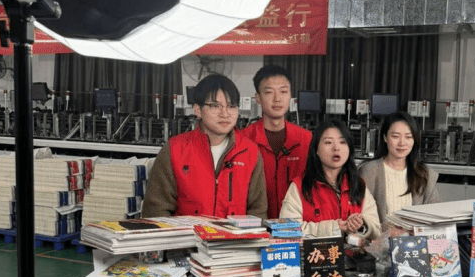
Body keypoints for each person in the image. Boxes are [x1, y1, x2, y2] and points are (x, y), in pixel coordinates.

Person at [141, 74, 267, 220]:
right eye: (215, 106)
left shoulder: (250, 152)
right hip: (187, 235)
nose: (225, 114)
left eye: (231, 106)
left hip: (234, 235)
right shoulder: (174, 150)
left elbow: (258, 212)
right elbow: (156, 211)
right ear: (198, 110)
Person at [279, 118, 380, 239]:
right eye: (328, 142)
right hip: (313, 252)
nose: (336, 148)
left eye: (342, 142)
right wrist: (333, 228)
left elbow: (376, 230)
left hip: (352, 252)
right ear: (316, 150)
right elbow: (286, 230)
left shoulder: (358, 186)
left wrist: (362, 225)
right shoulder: (300, 187)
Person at [241, 64, 312, 218]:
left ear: (290, 96)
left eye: (283, 91)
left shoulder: (306, 139)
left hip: (297, 224)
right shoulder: (243, 140)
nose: (277, 99)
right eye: (269, 92)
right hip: (254, 224)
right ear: (258, 98)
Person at [359, 111, 441, 228]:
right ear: (385, 137)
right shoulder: (369, 171)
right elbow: (360, 218)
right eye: (395, 136)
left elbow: (436, 214)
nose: (402, 143)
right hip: (380, 238)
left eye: (408, 137)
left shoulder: (424, 174)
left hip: (415, 239)